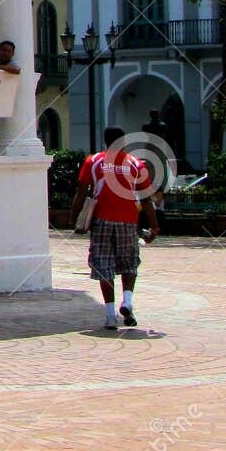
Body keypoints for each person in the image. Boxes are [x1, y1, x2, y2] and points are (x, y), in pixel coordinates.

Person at [69, 125, 158, 330]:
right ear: (123, 142)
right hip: (128, 220)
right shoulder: (135, 164)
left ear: (105, 141)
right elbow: (146, 199)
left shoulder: (93, 161)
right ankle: (127, 302)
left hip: (101, 221)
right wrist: (154, 227)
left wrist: (74, 218)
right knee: (129, 263)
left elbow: (81, 192)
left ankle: (110, 316)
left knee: (104, 265)